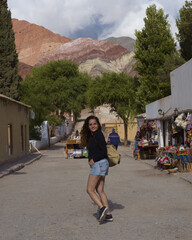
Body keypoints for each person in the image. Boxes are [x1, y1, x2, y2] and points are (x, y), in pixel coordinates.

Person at [80, 115, 113, 223]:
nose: (93, 126)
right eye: (90, 124)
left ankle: (102, 208)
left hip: (99, 164)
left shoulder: (98, 135)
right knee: (100, 190)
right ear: (88, 126)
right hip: (102, 164)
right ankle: (108, 215)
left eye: (94, 123)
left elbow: (103, 151)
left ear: (98, 124)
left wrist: (93, 159)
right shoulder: (94, 136)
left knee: (89, 190)